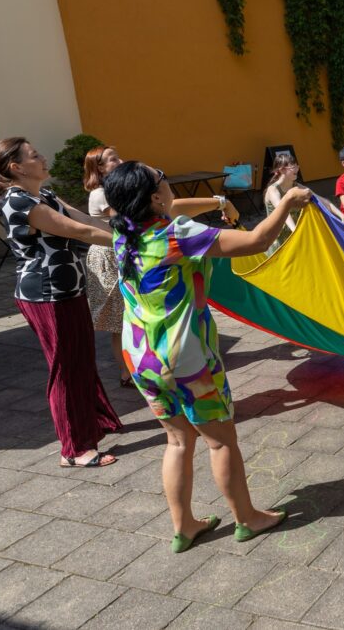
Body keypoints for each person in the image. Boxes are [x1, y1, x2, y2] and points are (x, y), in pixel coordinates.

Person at [104, 160, 311, 553]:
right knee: (220, 442)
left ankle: (184, 526)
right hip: (187, 359)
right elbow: (256, 241)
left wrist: (217, 202)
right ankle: (247, 518)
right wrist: (286, 203)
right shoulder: (177, 235)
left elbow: (174, 207)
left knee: (178, 441)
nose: (167, 184)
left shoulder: (123, 232)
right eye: (163, 179)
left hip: (142, 358)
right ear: (154, 197)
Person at [0, 137, 122, 467]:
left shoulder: (45, 195)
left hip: (68, 289)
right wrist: (133, 243)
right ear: (17, 167)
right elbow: (79, 232)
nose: (42, 157)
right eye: (34, 155)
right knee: (65, 369)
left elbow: (88, 221)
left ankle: (94, 424)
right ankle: (74, 449)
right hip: (45, 294)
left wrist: (129, 232)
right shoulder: (20, 202)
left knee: (82, 360)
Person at [82, 145, 133, 386]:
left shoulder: (112, 189)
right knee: (120, 319)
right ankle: (126, 373)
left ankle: (136, 367)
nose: (120, 161)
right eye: (113, 159)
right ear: (100, 168)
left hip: (120, 253)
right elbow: (125, 219)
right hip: (109, 258)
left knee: (130, 315)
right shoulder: (100, 193)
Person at [263, 153, 342, 254]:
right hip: (278, 240)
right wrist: (295, 231)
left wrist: (341, 216)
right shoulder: (273, 190)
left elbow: (322, 201)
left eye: (297, 166)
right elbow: (283, 212)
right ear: (282, 170)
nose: (297, 169)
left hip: (295, 237)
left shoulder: (297, 187)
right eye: (293, 167)